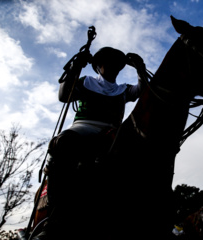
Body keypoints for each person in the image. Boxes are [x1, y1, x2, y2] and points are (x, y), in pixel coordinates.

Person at [33, 47, 146, 240]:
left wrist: (140, 69)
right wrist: (76, 65)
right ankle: (54, 218)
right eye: (107, 63)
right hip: (83, 127)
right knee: (62, 143)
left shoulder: (123, 90)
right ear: (98, 66)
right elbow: (63, 95)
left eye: (116, 65)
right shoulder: (86, 82)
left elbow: (144, 91)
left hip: (111, 132)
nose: (111, 68)